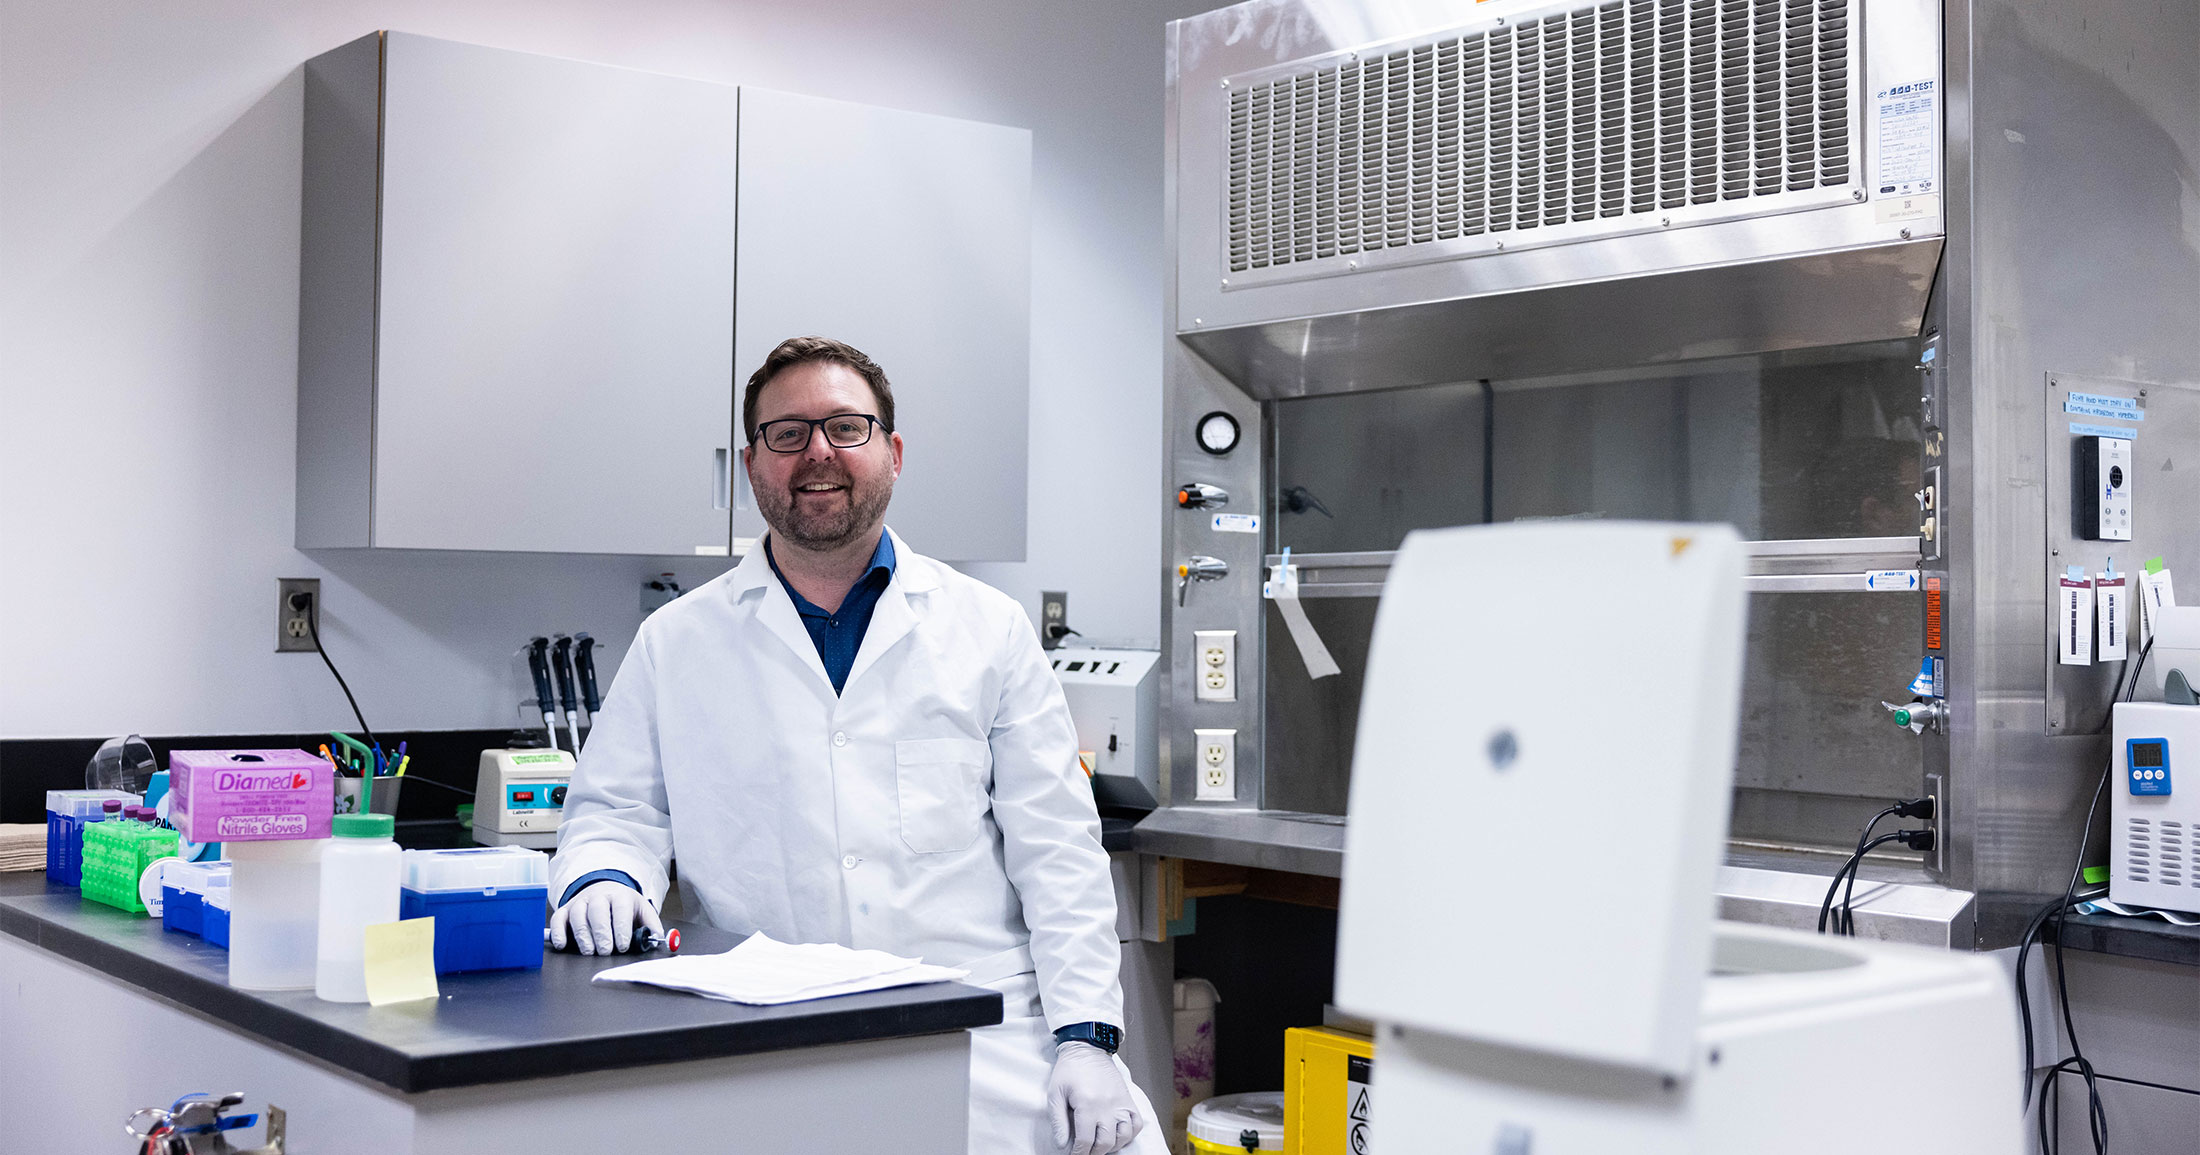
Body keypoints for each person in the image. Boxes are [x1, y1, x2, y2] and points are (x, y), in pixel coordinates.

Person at [547, 336, 1162, 1155]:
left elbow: (1059, 852)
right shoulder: (676, 642)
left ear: (893, 453)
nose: (818, 453)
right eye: (787, 433)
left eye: (846, 427)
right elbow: (615, 809)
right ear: (751, 464)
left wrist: (1086, 1037)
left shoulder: (989, 629)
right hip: (768, 1040)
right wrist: (604, 874)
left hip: (981, 1032)